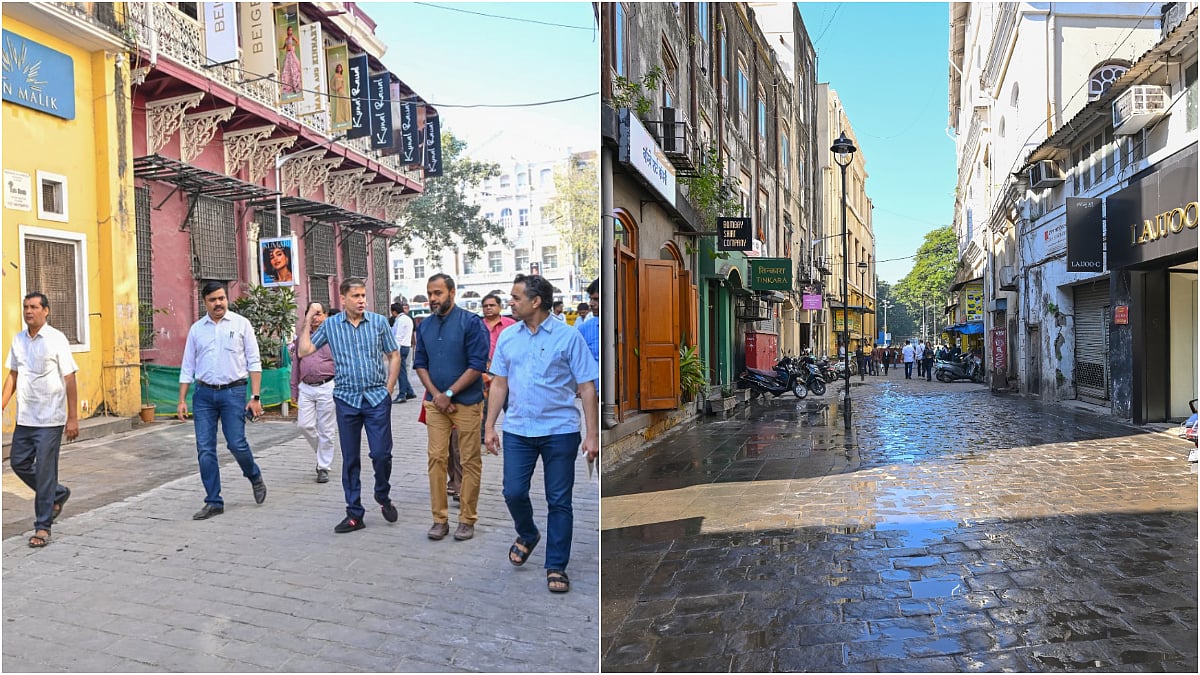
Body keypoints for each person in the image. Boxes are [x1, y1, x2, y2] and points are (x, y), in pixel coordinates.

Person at [485, 274, 599, 594]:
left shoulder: (569, 337)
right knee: (513, 492)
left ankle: (556, 565)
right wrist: (489, 425)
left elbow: (588, 387)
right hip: (519, 430)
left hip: (559, 431)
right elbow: (499, 383)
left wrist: (592, 436)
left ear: (536, 301)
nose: (510, 302)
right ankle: (528, 532)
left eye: (516, 297)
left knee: (559, 500)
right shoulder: (509, 337)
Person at [297, 278, 401, 534]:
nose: (361, 300)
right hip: (346, 400)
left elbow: (394, 354)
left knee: (381, 454)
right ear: (343, 299)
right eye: (355, 296)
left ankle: (382, 493)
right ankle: (354, 513)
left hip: (377, 399)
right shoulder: (331, 325)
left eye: (363, 295)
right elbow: (304, 350)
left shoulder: (378, 322)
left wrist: (389, 390)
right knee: (350, 458)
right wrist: (310, 317)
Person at [177, 282, 267, 520]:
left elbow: (254, 362)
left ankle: (254, 476)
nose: (218, 303)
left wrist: (255, 397)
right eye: (213, 300)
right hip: (204, 395)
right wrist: (182, 400)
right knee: (205, 449)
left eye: (222, 298)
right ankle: (214, 501)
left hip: (234, 393)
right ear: (204, 302)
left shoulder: (241, 325)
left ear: (227, 299)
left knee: (236, 443)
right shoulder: (197, 330)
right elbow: (188, 365)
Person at [414, 273, 490, 541]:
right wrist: (437, 395)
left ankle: (467, 519)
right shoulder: (424, 326)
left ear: (452, 293)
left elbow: (477, 364)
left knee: (469, 460)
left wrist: (450, 393)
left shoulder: (471, 323)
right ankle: (439, 519)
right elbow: (420, 364)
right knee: (436, 458)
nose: (433, 299)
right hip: (436, 404)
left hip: (467, 402)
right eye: (430, 293)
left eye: (438, 293)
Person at [3, 292, 78, 548]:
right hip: (26, 417)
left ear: (46, 311)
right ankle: (57, 493)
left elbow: (69, 379)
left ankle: (43, 526)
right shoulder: (18, 340)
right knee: (19, 462)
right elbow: (13, 375)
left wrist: (73, 418)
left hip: (50, 418)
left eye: (34, 307)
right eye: (25, 307)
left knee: (45, 471)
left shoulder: (56, 340)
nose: (28, 311)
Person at [289, 302, 336, 484]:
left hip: (327, 386)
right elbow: (296, 364)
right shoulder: (303, 337)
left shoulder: (332, 336)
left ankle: (323, 467)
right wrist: (294, 388)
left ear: (325, 316)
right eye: (311, 314)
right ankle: (323, 452)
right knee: (304, 425)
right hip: (306, 387)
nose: (315, 318)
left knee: (326, 429)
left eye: (318, 314)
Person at [576, 279, 601, 393]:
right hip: (594, 394)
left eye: (596, 299)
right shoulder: (583, 329)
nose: (591, 303)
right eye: (591, 299)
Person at [391, 302, 416, 403]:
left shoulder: (401, 320)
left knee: (400, 372)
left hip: (400, 347)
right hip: (406, 345)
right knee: (403, 371)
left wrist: (394, 350)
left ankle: (402, 394)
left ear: (394, 311)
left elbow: (398, 336)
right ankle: (409, 391)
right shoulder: (408, 319)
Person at [279, 24, 302, 96]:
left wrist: (293, 47)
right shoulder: (286, 39)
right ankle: (289, 85)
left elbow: (298, 42)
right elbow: (284, 47)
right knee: (287, 69)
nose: (290, 31)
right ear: (287, 31)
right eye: (289, 30)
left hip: (291, 53)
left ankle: (295, 85)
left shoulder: (292, 37)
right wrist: (280, 48)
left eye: (291, 30)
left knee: (293, 68)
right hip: (288, 54)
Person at [330, 61, 350, 128]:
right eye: (338, 67)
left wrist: (343, 90)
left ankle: (346, 117)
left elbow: (343, 85)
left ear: (341, 69)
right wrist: (336, 89)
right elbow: (331, 84)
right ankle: (340, 118)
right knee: (340, 105)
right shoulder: (335, 75)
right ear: (337, 68)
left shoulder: (341, 76)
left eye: (340, 68)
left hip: (342, 91)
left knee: (346, 101)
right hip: (338, 92)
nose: (339, 69)